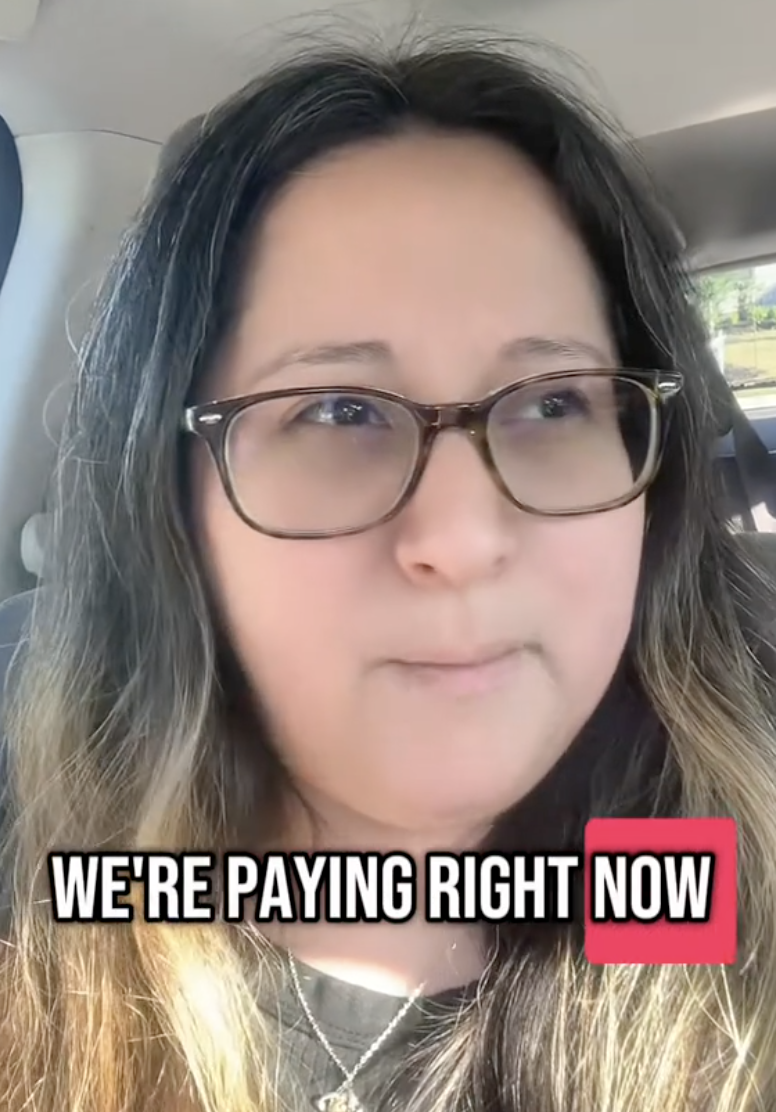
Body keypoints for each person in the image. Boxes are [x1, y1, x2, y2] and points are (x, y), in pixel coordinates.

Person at [1, 31, 775, 1112]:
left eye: (554, 401)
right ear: (169, 498)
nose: (461, 537)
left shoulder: (705, 885)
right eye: (337, 411)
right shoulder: (36, 875)